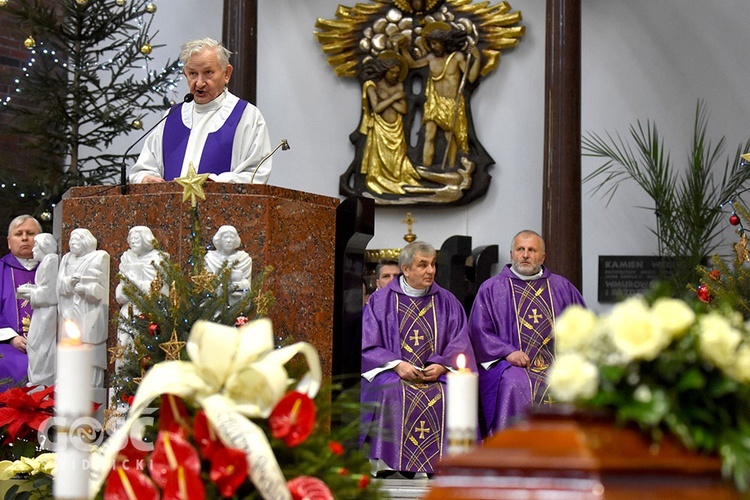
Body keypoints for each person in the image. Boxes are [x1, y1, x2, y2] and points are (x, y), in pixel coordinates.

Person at [360, 241, 476, 477]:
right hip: (393, 373)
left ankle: (442, 464)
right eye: (422, 265)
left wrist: (442, 366)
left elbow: (460, 341)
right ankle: (387, 463)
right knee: (391, 391)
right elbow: (368, 344)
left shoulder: (448, 302)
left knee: (448, 392)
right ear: (406, 269)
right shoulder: (380, 301)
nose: (430, 270)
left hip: (435, 376)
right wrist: (397, 365)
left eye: (432, 264)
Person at [468, 230, 585, 437]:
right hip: (510, 364)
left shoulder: (562, 287)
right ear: (512, 254)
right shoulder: (492, 289)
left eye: (532, 250)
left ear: (543, 257)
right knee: (515, 382)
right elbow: (479, 331)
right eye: (520, 249)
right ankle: (512, 449)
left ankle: (563, 451)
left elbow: (583, 327)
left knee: (568, 380)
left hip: (557, 364)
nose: (525, 255)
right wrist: (507, 352)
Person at [129, 38, 272, 184]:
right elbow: (143, 170)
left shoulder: (247, 116)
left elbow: (256, 175)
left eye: (208, 72)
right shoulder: (172, 117)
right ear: (185, 74)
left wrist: (212, 182)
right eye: (193, 74)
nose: (199, 83)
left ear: (226, 74)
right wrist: (146, 179)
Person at [398, 22, 481, 168]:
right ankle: (426, 167)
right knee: (429, 135)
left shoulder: (457, 57)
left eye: (436, 43)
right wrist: (404, 49)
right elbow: (412, 65)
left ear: (444, 43)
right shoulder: (430, 58)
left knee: (450, 138)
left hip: (451, 103)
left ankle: (449, 168)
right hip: (434, 101)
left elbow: (471, 79)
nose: (433, 47)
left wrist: (477, 59)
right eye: (431, 43)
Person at [57, 228, 110, 405]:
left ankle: (91, 382)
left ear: (87, 241)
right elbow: (60, 284)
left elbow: (101, 288)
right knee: (70, 345)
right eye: (71, 240)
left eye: (77, 240)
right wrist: (69, 283)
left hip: (90, 310)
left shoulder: (98, 257)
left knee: (89, 344)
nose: (72, 243)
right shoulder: (66, 259)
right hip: (70, 309)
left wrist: (86, 289)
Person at [358, 52, 421, 195]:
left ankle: (397, 180)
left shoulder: (399, 85)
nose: (395, 76)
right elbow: (377, 108)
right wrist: (394, 99)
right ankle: (381, 182)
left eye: (397, 73)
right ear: (384, 71)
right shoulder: (373, 85)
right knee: (381, 160)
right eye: (392, 72)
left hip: (396, 128)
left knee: (398, 160)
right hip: (381, 128)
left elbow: (403, 109)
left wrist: (388, 98)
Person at [0, 215, 41, 390]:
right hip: (10, 343)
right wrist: (12, 338)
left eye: (30, 233)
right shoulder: (1, 269)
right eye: (19, 234)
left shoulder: (52, 268)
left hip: (48, 343)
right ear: (9, 242)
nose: (25, 238)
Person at [16, 233, 58, 387]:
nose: (33, 250)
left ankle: (41, 381)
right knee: (35, 344)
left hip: (47, 312)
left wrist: (28, 292)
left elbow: (49, 294)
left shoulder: (51, 261)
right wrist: (32, 289)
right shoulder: (45, 262)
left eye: (36, 246)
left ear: (44, 247)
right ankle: (37, 381)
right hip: (42, 311)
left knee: (40, 345)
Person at [115, 227, 165, 349]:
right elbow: (120, 292)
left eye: (136, 239)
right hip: (128, 310)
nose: (132, 242)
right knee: (124, 346)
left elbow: (159, 291)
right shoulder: (126, 258)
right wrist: (124, 288)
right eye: (130, 240)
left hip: (149, 311)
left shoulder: (158, 259)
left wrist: (135, 283)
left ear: (145, 239)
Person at [204, 225, 252, 297]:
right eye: (225, 237)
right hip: (214, 302)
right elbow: (206, 283)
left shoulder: (244, 259)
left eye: (232, 237)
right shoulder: (210, 258)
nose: (228, 240)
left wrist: (239, 285)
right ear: (219, 239)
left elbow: (247, 284)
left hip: (237, 301)